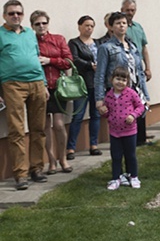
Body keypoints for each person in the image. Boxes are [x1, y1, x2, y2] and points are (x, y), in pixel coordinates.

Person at [0, 0, 49, 190]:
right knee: (17, 130)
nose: (15, 16)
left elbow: (36, 58)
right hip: (13, 85)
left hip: (36, 83)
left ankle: (36, 168)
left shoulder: (30, 33)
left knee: (39, 128)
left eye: (19, 13)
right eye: (11, 13)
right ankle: (20, 174)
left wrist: (44, 84)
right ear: (5, 15)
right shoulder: (1, 34)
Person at [95, 12, 150, 149]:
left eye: (124, 23)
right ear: (111, 27)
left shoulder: (132, 47)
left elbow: (139, 73)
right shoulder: (106, 48)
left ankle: (132, 165)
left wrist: (146, 94)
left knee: (134, 132)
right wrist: (99, 98)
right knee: (120, 134)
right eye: (118, 23)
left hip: (133, 92)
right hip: (117, 95)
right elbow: (100, 74)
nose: (121, 26)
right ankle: (119, 165)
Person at [31, 10, 74, 175]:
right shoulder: (31, 41)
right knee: (44, 126)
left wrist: (50, 61)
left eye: (44, 23)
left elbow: (69, 61)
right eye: (37, 24)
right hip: (39, 87)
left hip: (57, 87)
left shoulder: (58, 39)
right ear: (33, 26)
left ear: (48, 23)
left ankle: (63, 158)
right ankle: (52, 161)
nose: (41, 26)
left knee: (58, 124)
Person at [98, 66, 145, 190]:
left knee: (130, 155)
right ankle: (116, 178)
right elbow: (107, 113)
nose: (120, 82)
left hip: (130, 131)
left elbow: (140, 107)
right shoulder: (109, 95)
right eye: (117, 79)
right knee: (116, 156)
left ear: (127, 82)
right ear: (111, 79)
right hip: (114, 132)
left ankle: (133, 176)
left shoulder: (131, 93)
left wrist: (133, 115)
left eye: (123, 80)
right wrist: (103, 111)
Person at [67, 15, 102, 159]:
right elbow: (74, 59)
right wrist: (90, 65)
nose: (89, 28)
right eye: (86, 25)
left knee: (96, 115)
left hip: (97, 84)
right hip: (82, 84)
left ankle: (94, 145)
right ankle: (71, 148)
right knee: (78, 116)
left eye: (92, 26)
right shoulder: (74, 43)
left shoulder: (98, 42)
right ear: (79, 26)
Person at [121, 0, 152, 145]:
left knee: (142, 102)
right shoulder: (121, 27)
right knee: (130, 104)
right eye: (127, 10)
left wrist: (148, 67)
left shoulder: (138, 27)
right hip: (126, 73)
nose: (130, 13)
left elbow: (144, 48)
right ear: (122, 9)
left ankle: (142, 137)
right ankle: (133, 137)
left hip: (139, 71)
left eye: (132, 10)